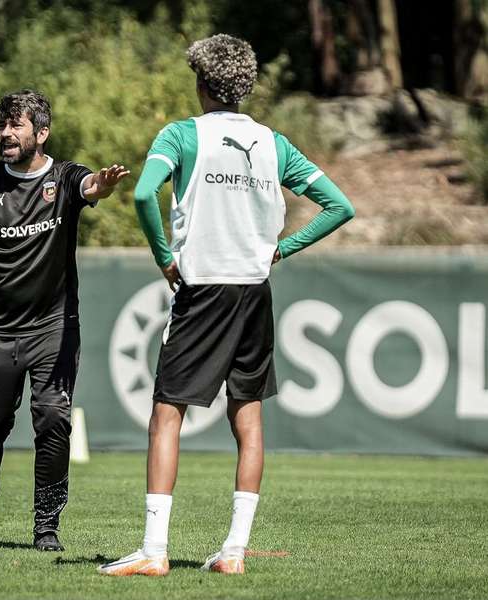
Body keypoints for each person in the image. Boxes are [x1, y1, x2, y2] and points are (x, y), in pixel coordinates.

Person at [99, 34, 355, 576]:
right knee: (250, 419)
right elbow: (339, 206)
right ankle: (233, 553)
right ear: (244, 86)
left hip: (204, 287)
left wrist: (164, 257)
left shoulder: (181, 135)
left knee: (167, 413)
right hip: (253, 289)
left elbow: (145, 194)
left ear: (200, 83)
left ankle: (154, 551)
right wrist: (280, 250)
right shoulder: (273, 143)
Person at [0, 89, 129, 552]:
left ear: (41, 133)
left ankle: (46, 524)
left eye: (16, 126)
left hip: (54, 327)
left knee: (53, 418)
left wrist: (100, 187)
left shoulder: (64, 178)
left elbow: (89, 188)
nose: (5, 134)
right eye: (2, 126)